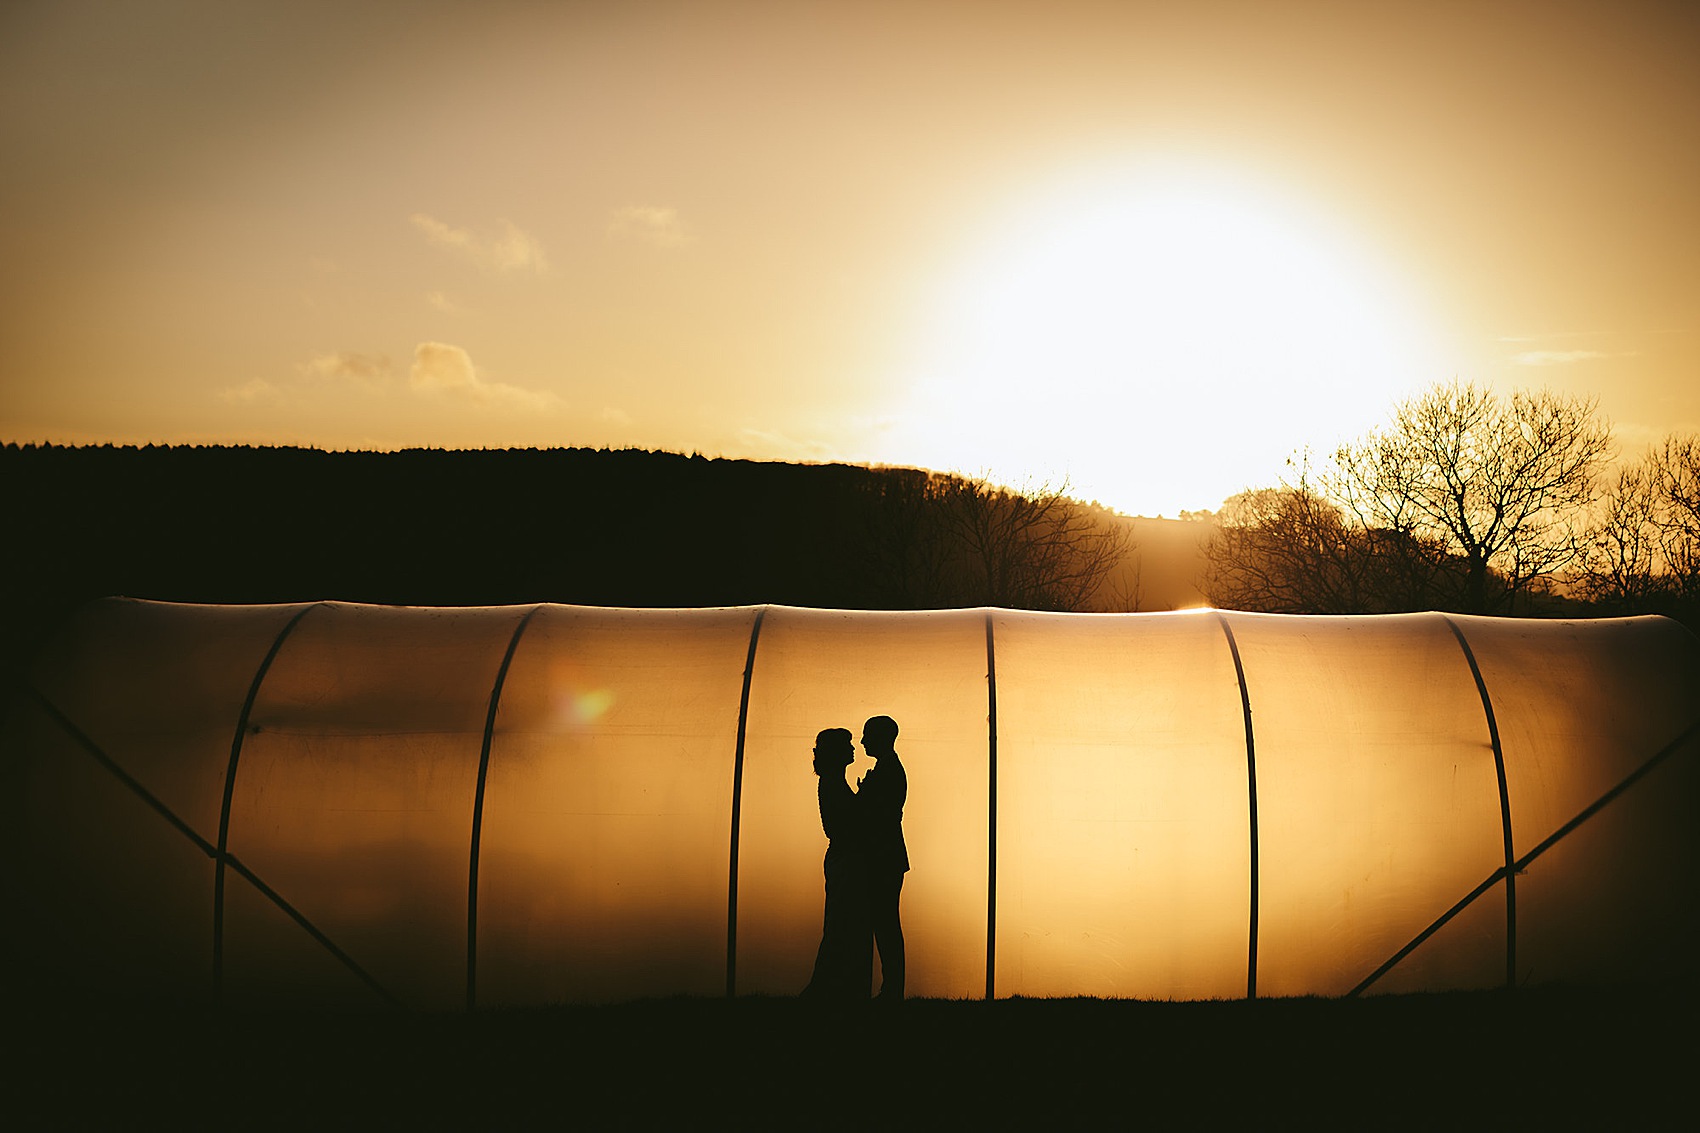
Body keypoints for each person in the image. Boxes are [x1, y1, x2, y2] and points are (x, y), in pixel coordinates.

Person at [801, 727, 872, 999]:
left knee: (842, 924)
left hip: (845, 859)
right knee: (843, 924)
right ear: (837, 753)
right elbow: (843, 825)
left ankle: (831, 987)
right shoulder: (832, 782)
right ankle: (827, 988)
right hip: (846, 860)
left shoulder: (833, 780)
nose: (854, 749)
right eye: (848, 745)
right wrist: (864, 800)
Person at [856, 714, 908, 1000]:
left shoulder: (888, 771)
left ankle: (892, 990)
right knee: (885, 922)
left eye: (867, 735)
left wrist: (863, 799)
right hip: (886, 856)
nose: (863, 741)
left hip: (884, 857)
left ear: (881, 737)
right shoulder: (887, 768)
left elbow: (879, 816)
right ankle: (891, 988)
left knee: (886, 923)